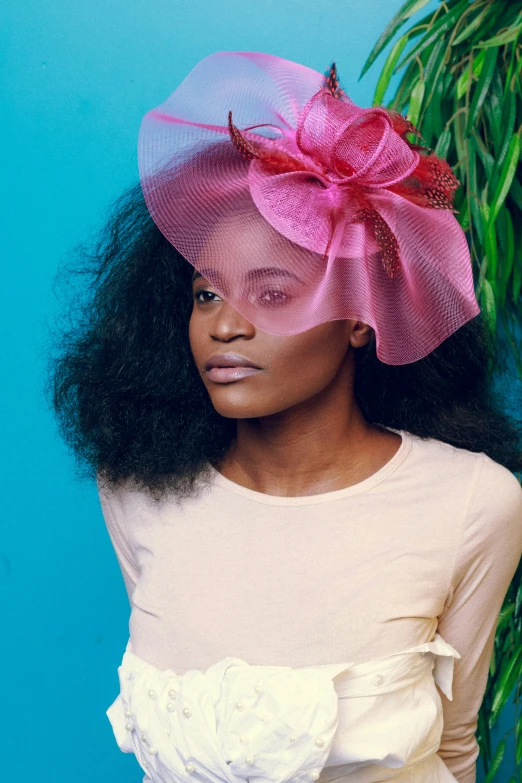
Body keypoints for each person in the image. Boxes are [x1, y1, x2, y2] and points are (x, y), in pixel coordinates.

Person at [45, 52, 522, 783]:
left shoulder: (475, 503)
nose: (224, 326)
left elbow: (456, 751)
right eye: (206, 294)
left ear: (363, 317)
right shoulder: (135, 487)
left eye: (271, 293)